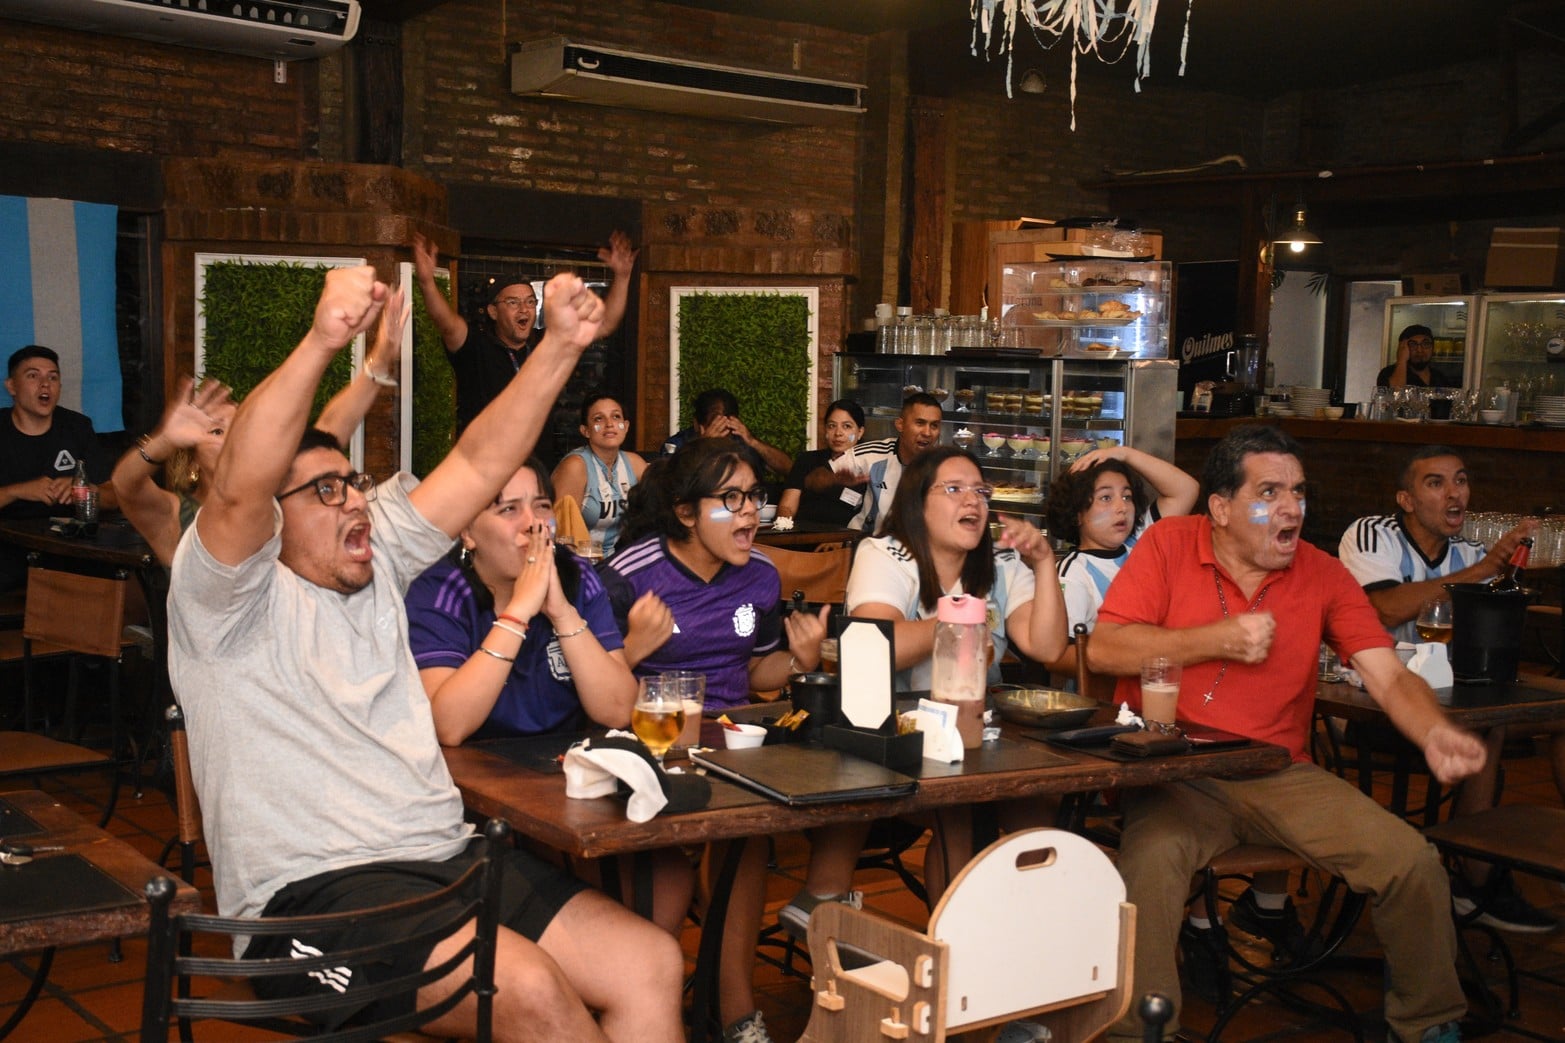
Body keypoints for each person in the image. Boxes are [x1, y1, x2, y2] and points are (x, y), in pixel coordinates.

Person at [166, 266, 683, 1042]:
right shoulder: (224, 601)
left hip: (447, 857)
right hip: (309, 898)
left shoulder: (380, 568)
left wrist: (561, 345)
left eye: (354, 484)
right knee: (528, 988)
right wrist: (323, 340)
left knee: (650, 960)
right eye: (325, 492)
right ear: (271, 522)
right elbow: (239, 487)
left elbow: (478, 464)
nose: (353, 502)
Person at [1088, 423, 1486, 1043]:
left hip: (1277, 771)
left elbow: (1385, 675)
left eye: (1297, 492)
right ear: (1219, 508)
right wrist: (1215, 641)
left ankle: (1429, 1022)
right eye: (1269, 491)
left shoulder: (1323, 574)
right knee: (1154, 865)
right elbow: (1106, 650)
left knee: (1411, 862)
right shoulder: (1168, 542)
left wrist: (1432, 731)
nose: (1291, 509)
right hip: (1175, 770)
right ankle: (1141, 1033)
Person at [598, 437, 828, 1043]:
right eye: (731, 498)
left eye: (755, 497)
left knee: (746, 840)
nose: (751, 511)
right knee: (667, 869)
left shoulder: (761, 579)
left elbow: (758, 673)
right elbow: (586, 689)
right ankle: (651, 1008)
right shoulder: (630, 577)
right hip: (652, 748)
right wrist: (631, 652)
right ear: (685, 512)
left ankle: (736, 1014)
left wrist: (801, 662)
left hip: (735, 745)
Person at [1339, 445, 1557, 933]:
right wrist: (1481, 576)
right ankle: (1475, 882)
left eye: (1461, 480)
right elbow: (1386, 610)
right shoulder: (1373, 533)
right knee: (1487, 733)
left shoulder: (1468, 553)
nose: (1454, 492)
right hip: (1365, 704)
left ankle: (1529, 858)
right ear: (1407, 499)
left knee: (1551, 718)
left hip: (1448, 701)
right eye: (1436, 483)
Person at [111, 309, 404, 568]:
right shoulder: (175, 515)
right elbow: (126, 484)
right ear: (193, 463)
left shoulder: (275, 495)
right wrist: (166, 440)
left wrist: (380, 359)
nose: (232, 437)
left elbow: (331, 427)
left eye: (239, 426)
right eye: (216, 431)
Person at [406, 458, 637, 744]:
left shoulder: (577, 576)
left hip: (566, 768)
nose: (532, 524)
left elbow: (619, 711)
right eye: (508, 509)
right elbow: (449, 728)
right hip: (468, 773)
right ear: (467, 532)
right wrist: (518, 612)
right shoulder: (439, 591)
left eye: (542, 506)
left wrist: (562, 613)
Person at [412, 230, 637, 434]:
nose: (524, 309)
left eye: (530, 302)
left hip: (539, 466)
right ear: (493, 311)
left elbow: (605, 324)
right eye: (513, 302)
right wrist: (427, 283)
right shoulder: (476, 346)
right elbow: (447, 323)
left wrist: (623, 277)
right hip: (489, 466)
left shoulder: (545, 343)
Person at [1044, 444, 1200, 677]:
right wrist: (1116, 657)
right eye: (1105, 498)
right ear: (1077, 514)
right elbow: (1056, 656)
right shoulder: (1073, 574)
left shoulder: (1143, 541)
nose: (1122, 507)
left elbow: (1186, 489)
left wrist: (1125, 453)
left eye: (1127, 496)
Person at [0, 345, 118, 591]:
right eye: (33, 376)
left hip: (68, 547)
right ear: (11, 386)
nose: (45, 384)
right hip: (7, 546)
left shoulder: (78, 427)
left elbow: (114, 496)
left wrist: (84, 491)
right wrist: (17, 491)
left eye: (53, 377)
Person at [807, 391, 943, 535]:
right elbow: (813, 480)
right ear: (900, 425)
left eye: (934, 426)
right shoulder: (873, 453)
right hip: (868, 542)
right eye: (920, 423)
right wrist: (834, 478)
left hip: (919, 549)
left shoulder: (945, 466)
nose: (927, 433)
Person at [550, 392, 648, 559]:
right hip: (575, 566)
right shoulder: (575, 466)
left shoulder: (635, 463)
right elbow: (559, 533)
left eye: (616, 417)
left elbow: (660, 508)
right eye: (598, 419)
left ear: (626, 426)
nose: (610, 424)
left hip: (612, 563)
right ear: (585, 431)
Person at [661, 387, 793, 479]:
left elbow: (789, 470)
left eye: (727, 427)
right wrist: (704, 445)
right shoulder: (676, 444)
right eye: (715, 425)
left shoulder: (741, 442)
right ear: (696, 424)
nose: (722, 433)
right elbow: (668, 482)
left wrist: (753, 442)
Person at [776, 398, 864, 528]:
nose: (838, 433)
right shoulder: (807, 460)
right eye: (832, 426)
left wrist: (843, 542)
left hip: (844, 541)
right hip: (800, 536)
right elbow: (787, 506)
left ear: (860, 432)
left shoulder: (869, 467)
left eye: (847, 426)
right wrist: (782, 525)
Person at [1377, 324, 1459, 389]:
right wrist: (1401, 360)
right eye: (1413, 344)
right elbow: (1394, 399)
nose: (1420, 350)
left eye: (1425, 344)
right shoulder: (1388, 373)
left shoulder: (1440, 377)